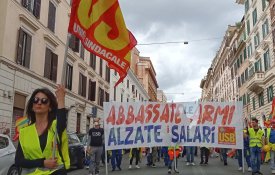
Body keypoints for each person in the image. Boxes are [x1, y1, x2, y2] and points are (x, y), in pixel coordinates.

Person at [15, 85, 70, 175]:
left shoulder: (55, 126)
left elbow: (62, 119)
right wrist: (42, 163)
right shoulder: (24, 132)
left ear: (50, 107)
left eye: (44, 101)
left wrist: (61, 98)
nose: (39, 103)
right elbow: (18, 161)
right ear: (32, 106)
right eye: (35, 100)